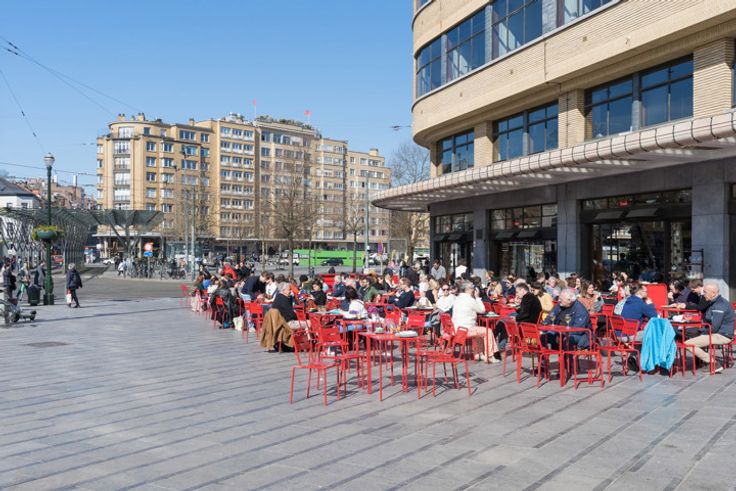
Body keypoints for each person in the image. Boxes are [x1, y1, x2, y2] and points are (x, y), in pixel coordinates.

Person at [684, 283, 733, 374]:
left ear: (713, 293)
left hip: (722, 335)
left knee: (688, 344)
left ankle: (713, 363)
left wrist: (701, 331)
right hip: (718, 333)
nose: (703, 294)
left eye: (705, 292)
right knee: (689, 333)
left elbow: (714, 328)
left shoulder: (719, 305)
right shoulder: (714, 302)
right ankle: (705, 362)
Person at [452, 281, 498, 362]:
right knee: (488, 331)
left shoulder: (457, 298)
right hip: (466, 330)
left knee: (479, 331)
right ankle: (490, 356)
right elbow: (482, 310)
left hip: (457, 329)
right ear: (468, 289)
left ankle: (478, 354)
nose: (474, 289)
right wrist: (477, 297)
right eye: (472, 287)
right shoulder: (470, 299)